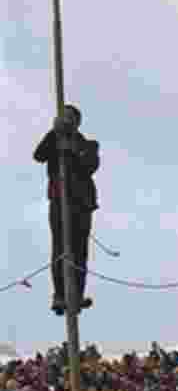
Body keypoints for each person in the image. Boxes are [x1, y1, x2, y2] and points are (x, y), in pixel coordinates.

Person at [33, 104, 100, 315]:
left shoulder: (88, 144)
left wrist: (71, 150)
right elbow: (38, 155)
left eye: (70, 118)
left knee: (80, 252)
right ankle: (60, 294)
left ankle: (77, 295)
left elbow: (90, 166)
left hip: (82, 203)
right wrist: (54, 133)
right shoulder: (54, 139)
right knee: (60, 248)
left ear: (77, 122)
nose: (66, 121)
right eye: (63, 117)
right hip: (59, 200)